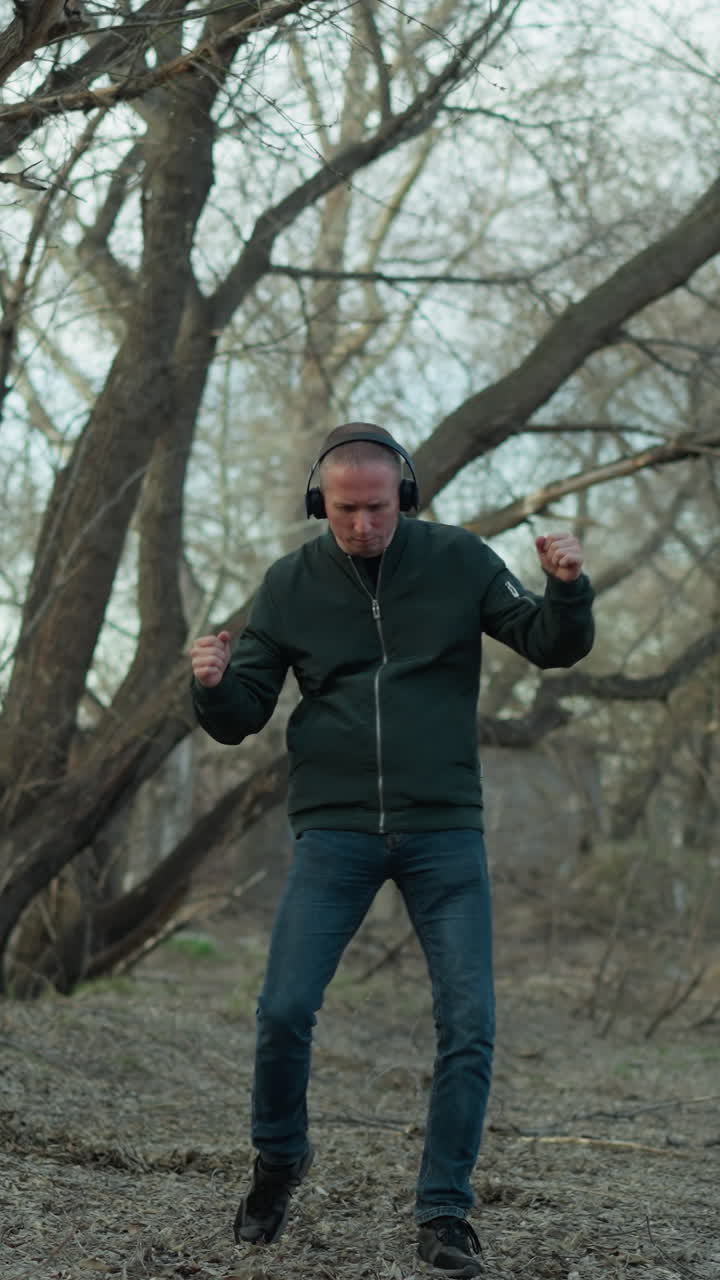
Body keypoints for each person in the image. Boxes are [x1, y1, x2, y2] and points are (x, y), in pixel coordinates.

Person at [190, 423, 594, 1277]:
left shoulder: (459, 560)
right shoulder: (289, 584)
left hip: (443, 827)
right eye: (346, 509)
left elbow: (549, 643)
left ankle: (445, 1212)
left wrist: (566, 589)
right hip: (335, 830)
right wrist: (214, 686)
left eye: (378, 507)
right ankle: (279, 1159)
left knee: (470, 1023)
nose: (364, 524)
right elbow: (241, 717)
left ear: (404, 497)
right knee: (284, 1009)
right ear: (320, 503)